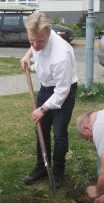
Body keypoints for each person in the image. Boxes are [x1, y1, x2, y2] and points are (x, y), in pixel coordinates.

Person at [20, 12, 78, 188]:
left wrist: (43, 109)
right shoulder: (40, 37)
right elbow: (35, 45)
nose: (36, 45)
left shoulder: (61, 55)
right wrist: (28, 55)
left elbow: (62, 91)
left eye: (40, 42)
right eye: (32, 41)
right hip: (46, 87)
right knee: (41, 128)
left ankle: (58, 171)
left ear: (49, 33)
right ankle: (42, 167)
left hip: (64, 90)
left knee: (59, 134)